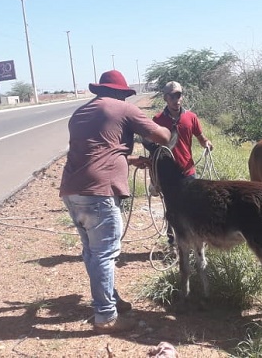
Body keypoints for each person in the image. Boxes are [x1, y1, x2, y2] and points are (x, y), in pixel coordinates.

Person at [59, 70, 171, 334]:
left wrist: (128, 160)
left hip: (73, 191)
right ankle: (106, 316)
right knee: (104, 254)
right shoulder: (122, 109)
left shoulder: (81, 112)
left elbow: (95, 150)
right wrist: (168, 126)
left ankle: (110, 299)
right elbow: (162, 138)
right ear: (121, 92)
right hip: (99, 192)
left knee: (91, 251)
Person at [152, 81, 212, 247]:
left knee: (192, 206)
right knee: (172, 208)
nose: (175, 99)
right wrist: (154, 176)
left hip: (188, 170)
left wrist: (206, 143)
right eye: (172, 96)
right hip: (168, 174)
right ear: (165, 98)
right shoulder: (157, 119)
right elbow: (152, 147)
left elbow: (201, 138)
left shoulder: (191, 117)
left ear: (182, 97)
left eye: (178, 95)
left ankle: (196, 240)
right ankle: (174, 242)